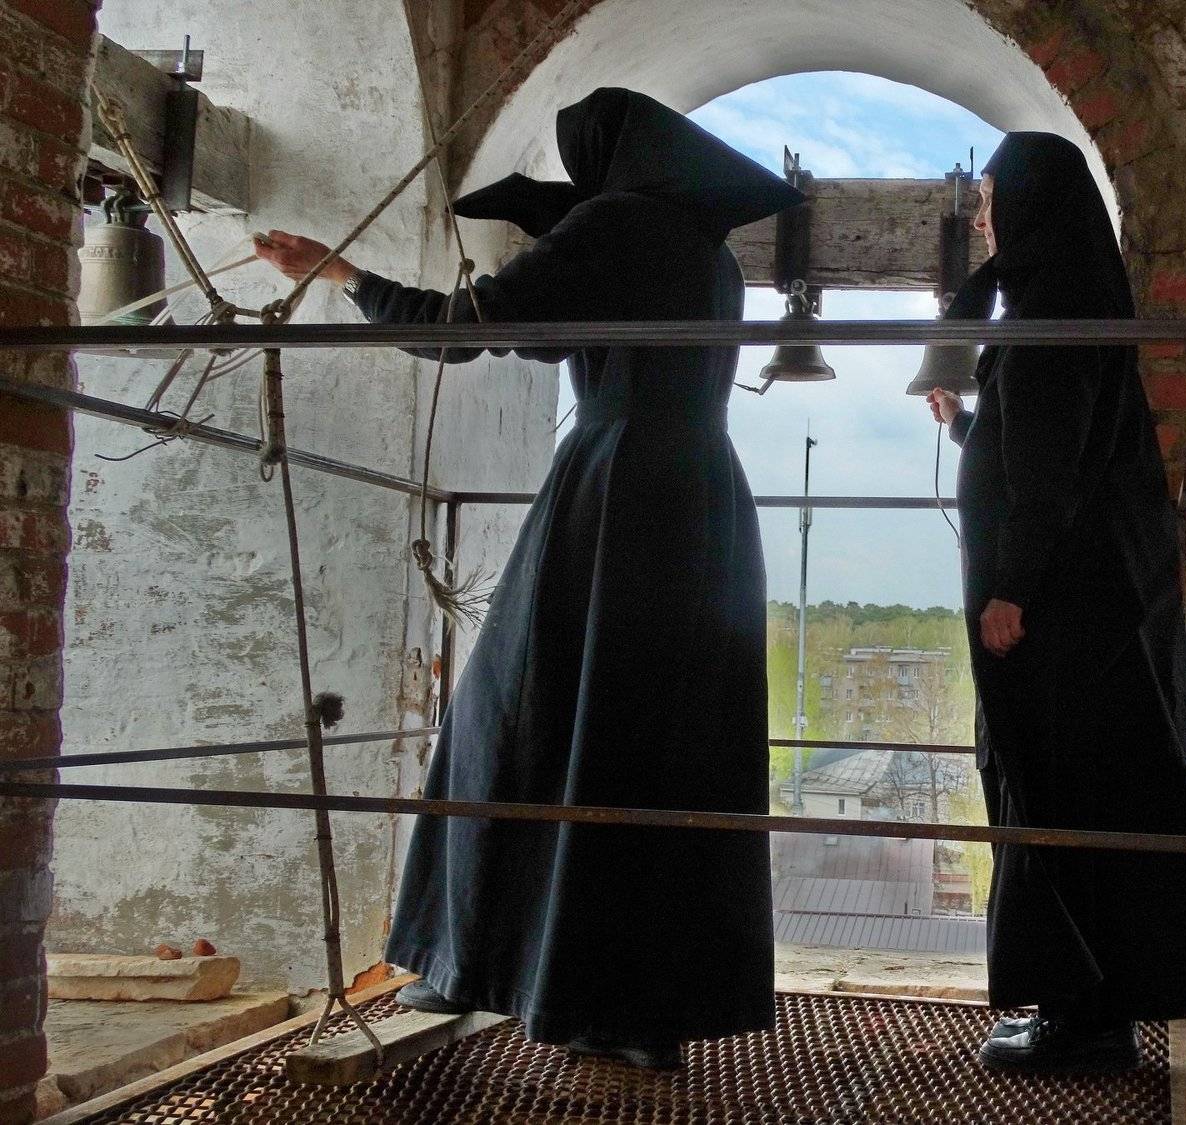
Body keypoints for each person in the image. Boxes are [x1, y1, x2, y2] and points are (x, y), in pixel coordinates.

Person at [254, 88, 804, 1069]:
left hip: (613, 492)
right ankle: (638, 1013)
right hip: (703, 504)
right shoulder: (707, 254)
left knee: (506, 718)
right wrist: (559, 227)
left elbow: (464, 327)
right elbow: (598, 294)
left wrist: (342, 273)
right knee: (651, 743)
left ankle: (465, 961)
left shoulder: (617, 224)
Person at [923, 132, 1186, 1075]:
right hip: (1091, 606)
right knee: (1088, 791)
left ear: (1032, 205)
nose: (983, 218)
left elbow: (1046, 469)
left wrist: (1011, 588)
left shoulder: (1048, 311)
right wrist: (966, 422)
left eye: (992, 199)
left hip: (1056, 615)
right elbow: (1044, 441)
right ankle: (1092, 1013)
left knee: (1051, 790)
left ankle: (1081, 1024)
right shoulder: (1074, 297)